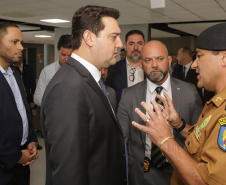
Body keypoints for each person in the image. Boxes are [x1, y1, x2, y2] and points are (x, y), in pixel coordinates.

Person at [41, 5, 126, 185]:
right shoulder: (68, 89)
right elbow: (68, 174)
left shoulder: (88, 80)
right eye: (114, 37)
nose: (120, 44)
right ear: (89, 38)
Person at [132, 23, 226, 185]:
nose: (194, 64)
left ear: (223, 58)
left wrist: (164, 139)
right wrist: (179, 125)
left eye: (200, 56)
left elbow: (204, 181)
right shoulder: (216, 103)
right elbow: (202, 141)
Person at [117, 40, 202, 185]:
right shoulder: (128, 95)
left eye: (160, 59)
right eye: (148, 60)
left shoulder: (190, 92)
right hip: (142, 174)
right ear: (141, 64)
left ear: (169, 60)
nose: (154, 65)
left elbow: (200, 137)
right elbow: (121, 141)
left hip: (180, 173)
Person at [0, 22, 38, 185]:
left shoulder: (15, 73)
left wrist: (31, 139)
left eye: (21, 42)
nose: (21, 47)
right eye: (14, 42)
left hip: (22, 163)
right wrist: (14, 157)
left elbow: (23, 113)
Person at [105, 30, 145, 104]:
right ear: (125, 47)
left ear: (144, 46)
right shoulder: (112, 70)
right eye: (131, 44)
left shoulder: (150, 69)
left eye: (139, 43)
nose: (136, 48)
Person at [34, 34, 72, 106]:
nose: (66, 59)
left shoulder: (80, 71)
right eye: (63, 55)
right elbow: (37, 98)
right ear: (57, 49)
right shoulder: (47, 71)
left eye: (70, 55)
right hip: (52, 114)